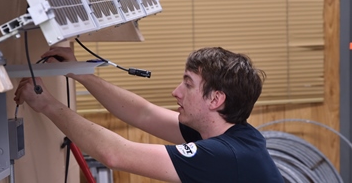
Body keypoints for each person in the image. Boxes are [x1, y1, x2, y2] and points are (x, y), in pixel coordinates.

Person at [14, 46, 284, 182]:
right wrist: (82, 74)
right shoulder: (230, 134)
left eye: (188, 84)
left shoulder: (223, 155)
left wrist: (48, 105)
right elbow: (143, 114)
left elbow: (115, 154)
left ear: (216, 99)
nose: (176, 92)